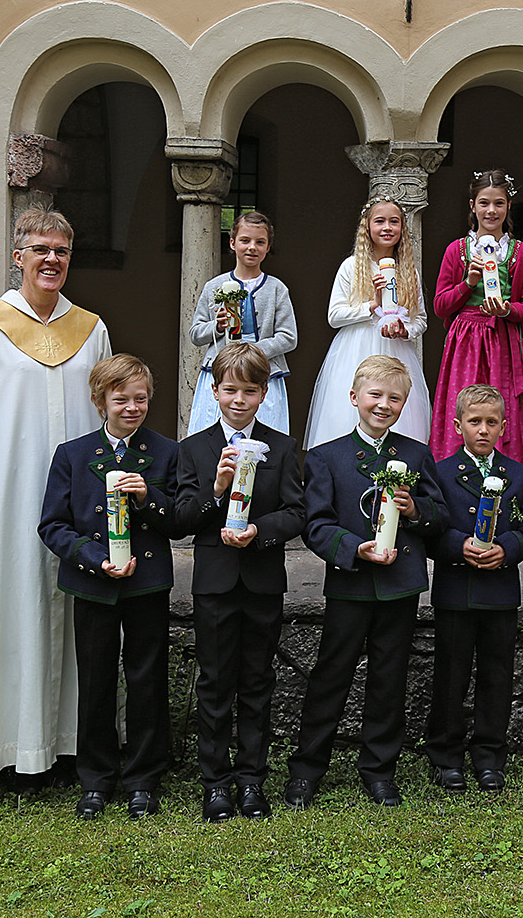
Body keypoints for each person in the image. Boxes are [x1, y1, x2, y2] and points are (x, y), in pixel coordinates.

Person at [0, 208, 112, 780]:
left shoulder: (93, 329)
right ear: (19, 256)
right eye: (41, 249)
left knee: (71, 610)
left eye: (61, 251)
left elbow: (107, 413)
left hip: (78, 498)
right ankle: (2, 746)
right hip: (3, 491)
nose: (52, 259)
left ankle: (65, 745)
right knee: (8, 607)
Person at [286, 355, 446, 809]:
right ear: (354, 398)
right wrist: (353, 549)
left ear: (405, 404)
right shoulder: (325, 458)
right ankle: (307, 768)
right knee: (331, 676)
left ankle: (379, 769)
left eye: (395, 398)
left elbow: (439, 516)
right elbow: (315, 525)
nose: (384, 405)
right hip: (350, 585)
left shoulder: (415, 455)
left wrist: (415, 510)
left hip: (399, 584)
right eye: (375, 395)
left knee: (389, 678)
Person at [39, 354, 179, 821]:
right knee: (95, 679)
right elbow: (53, 526)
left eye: (141, 399)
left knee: (146, 679)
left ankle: (143, 778)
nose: (133, 408)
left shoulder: (164, 451)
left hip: (146, 583)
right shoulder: (73, 455)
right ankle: (96, 779)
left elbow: (177, 520)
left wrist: (148, 498)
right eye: (121, 399)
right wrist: (96, 560)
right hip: (93, 584)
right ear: (100, 401)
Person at [175, 343, 305, 823]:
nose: (239, 400)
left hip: (262, 579)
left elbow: (296, 512)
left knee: (256, 680)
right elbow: (184, 518)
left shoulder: (283, 446)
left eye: (250, 391)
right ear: (214, 390)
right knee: (214, 681)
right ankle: (215, 782)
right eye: (230, 390)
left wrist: (260, 532)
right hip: (215, 582)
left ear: (263, 393)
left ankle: (251, 779)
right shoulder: (194, 448)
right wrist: (215, 490)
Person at [425, 385, 523, 794]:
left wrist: (508, 549)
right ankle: (446, 757)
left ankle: (490, 756)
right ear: (458, 426)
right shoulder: (439, 474)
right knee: (451, 676)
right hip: (456, 591)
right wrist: (458, 546)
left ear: (504, 427)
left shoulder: (521, 476)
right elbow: (429, 529)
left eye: (491, 422)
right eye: (474, 422)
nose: (483, 430)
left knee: (497, 676)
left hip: (499, 593)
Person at [430, 170, 523, 463]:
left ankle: (508, 478)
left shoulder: (522, 253)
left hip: (505, 340)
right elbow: (441, 306)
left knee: (503, 410)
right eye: (484, 203)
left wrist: (507, 310)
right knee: (465, 407)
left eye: (499, 203)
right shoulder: (457, 251)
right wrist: (468, 283)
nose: (491, 211)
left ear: (508, 207)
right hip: (466, 342)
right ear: (472, 206)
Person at [306, 197, 431, 446]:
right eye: (380, 221)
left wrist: (404, 329)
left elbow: (422, 320)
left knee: (399, 411)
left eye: (394, 222)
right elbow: (334, 316)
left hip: (396, 351)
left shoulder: (409, 271)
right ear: (367, 227)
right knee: (349, 412)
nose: (387, 227)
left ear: (402, 228)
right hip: (356, 348)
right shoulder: (351, 267)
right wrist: (371, 306)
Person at [186, 211, 298, 435]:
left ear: (268, 247)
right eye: (245, 240)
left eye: (260, 242)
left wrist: (252, 353)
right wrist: (216, 326)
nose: (252, 247)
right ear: (232, 242)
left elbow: (288, 337)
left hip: (263, 371)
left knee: (265, 435)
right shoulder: (213, 286)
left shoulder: (277, 289)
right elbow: (195, 334)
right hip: (219, 369)